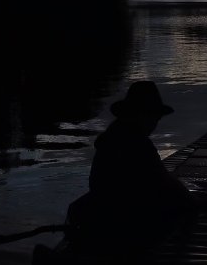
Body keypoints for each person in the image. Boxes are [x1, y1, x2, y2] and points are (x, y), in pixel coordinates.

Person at [65, 81, 197, 260]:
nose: (155, 124)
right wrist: (195, 202)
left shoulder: (112, 135)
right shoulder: (138, 144)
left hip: (106, 213)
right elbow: (165, 185)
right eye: (154, 117)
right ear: (141, 115)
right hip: (120, 222)